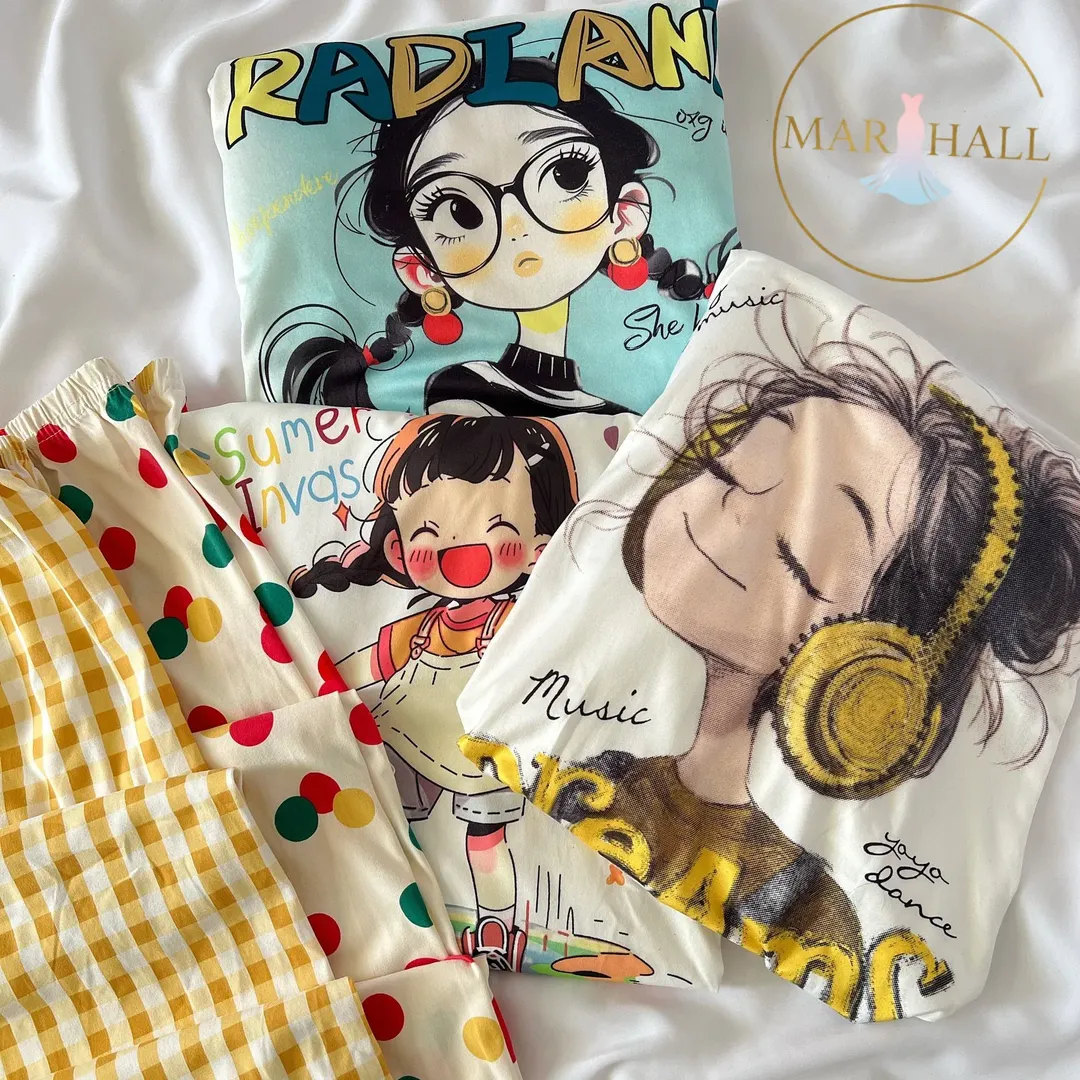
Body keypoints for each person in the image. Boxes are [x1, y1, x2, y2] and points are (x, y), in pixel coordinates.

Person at [549, 335, 1080, 1012]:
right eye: (733, 469)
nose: (738, 505)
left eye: (804, 546)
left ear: (875, 668)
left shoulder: (815, 915)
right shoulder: (602, 774)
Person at [261, 56, 738, 416]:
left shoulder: (627, 408)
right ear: (423, 270)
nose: (515, 224)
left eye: (566, 174)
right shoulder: (466, 393)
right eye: (458, 209)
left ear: (625, 214)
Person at [290, 413, 577, 970]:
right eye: (430, 535)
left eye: (498, 526)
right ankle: (387, 912)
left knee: (485, 838)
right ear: (398, 553)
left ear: (539, 546)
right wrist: (308, 704)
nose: (461, 550)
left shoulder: (515, 624)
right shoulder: (418, 630)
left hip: (486, 753)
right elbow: (345, 674)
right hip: (413, 742)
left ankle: (495, 927)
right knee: (382, 816)